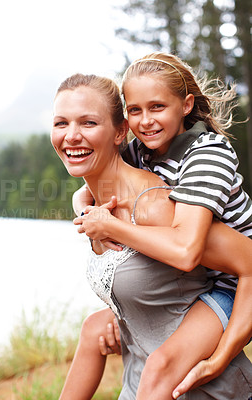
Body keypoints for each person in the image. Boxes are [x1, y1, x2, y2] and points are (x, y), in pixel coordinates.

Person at [51, 72, 252, 399]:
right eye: (61, 123)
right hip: (140, 375)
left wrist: (221, 355)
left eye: (88, 123)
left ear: (119, 133)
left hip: (196, 380)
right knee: (92, 328)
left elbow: (242, 260)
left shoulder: (158, 203)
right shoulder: (101, 198)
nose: (72, 135)